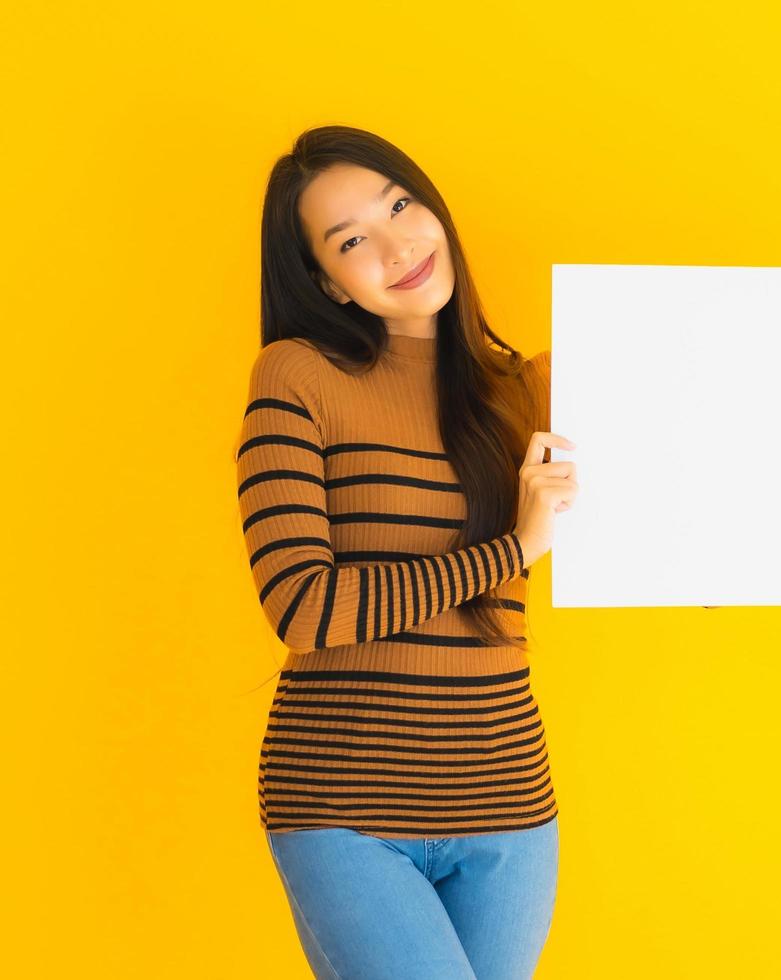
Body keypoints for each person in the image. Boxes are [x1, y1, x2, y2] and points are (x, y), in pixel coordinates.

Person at [235, 125, 574, 979]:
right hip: (345, 804)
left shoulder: (526, 390)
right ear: (326, 282)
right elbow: (305, 608)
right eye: (352, 240)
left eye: (401, 205)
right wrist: (513, 549)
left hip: (507, 800)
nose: (396, 245)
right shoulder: (297, 376)